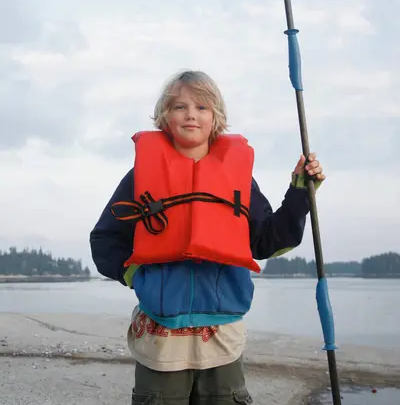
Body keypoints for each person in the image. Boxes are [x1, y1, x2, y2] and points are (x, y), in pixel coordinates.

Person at [90, 70, 325, 404]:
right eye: (179, 106)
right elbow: (104, 239)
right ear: (164, 117)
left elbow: (268, 240)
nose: (190, 114)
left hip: (222, 338)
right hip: (160, 337)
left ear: (216, 117)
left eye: (202, 107)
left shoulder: (238, 177)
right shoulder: (141, 175)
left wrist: (301, 191)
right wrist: (135, 275)